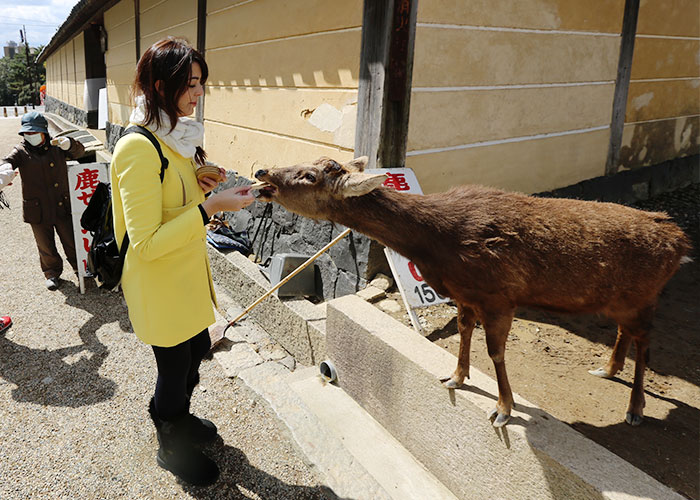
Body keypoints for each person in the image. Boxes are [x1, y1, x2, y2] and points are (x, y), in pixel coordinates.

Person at [110, 37, 255, 487]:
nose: (199, 93)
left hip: (184, 278)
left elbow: (170, 199)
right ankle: (170, 441)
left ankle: (181, 418)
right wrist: (210, 208)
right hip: (160, 283)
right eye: (190, 84)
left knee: (194, 353)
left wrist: (197, 183)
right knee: (174, 369)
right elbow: (146, 242)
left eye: (201, 83)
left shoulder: (173, 135)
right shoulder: (138, 147)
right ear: (159, 85)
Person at [1, 112, 85, 290]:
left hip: (61, 204)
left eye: (34, 133)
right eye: (27, 133)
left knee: (71, 240)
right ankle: (52, 273)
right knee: (45, 245)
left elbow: (80, 152)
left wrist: (70, 144)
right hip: (36, 208)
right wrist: (5, 171)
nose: (30, 136)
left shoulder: (57, 147)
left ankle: (81, 270)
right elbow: (8, 161)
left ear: (44, 132)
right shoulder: (21, 151)